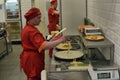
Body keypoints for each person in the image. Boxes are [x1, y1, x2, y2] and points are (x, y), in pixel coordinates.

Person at [20, 7, 67, 80]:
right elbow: (44, 46)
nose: (40, 20)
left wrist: (52, 40)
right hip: (33, 60)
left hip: (29, 58)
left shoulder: (28, 27)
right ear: (32, 18)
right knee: (35, 77)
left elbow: (40, 43)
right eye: (38, 18)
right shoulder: (31, 31)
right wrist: (60, 40)